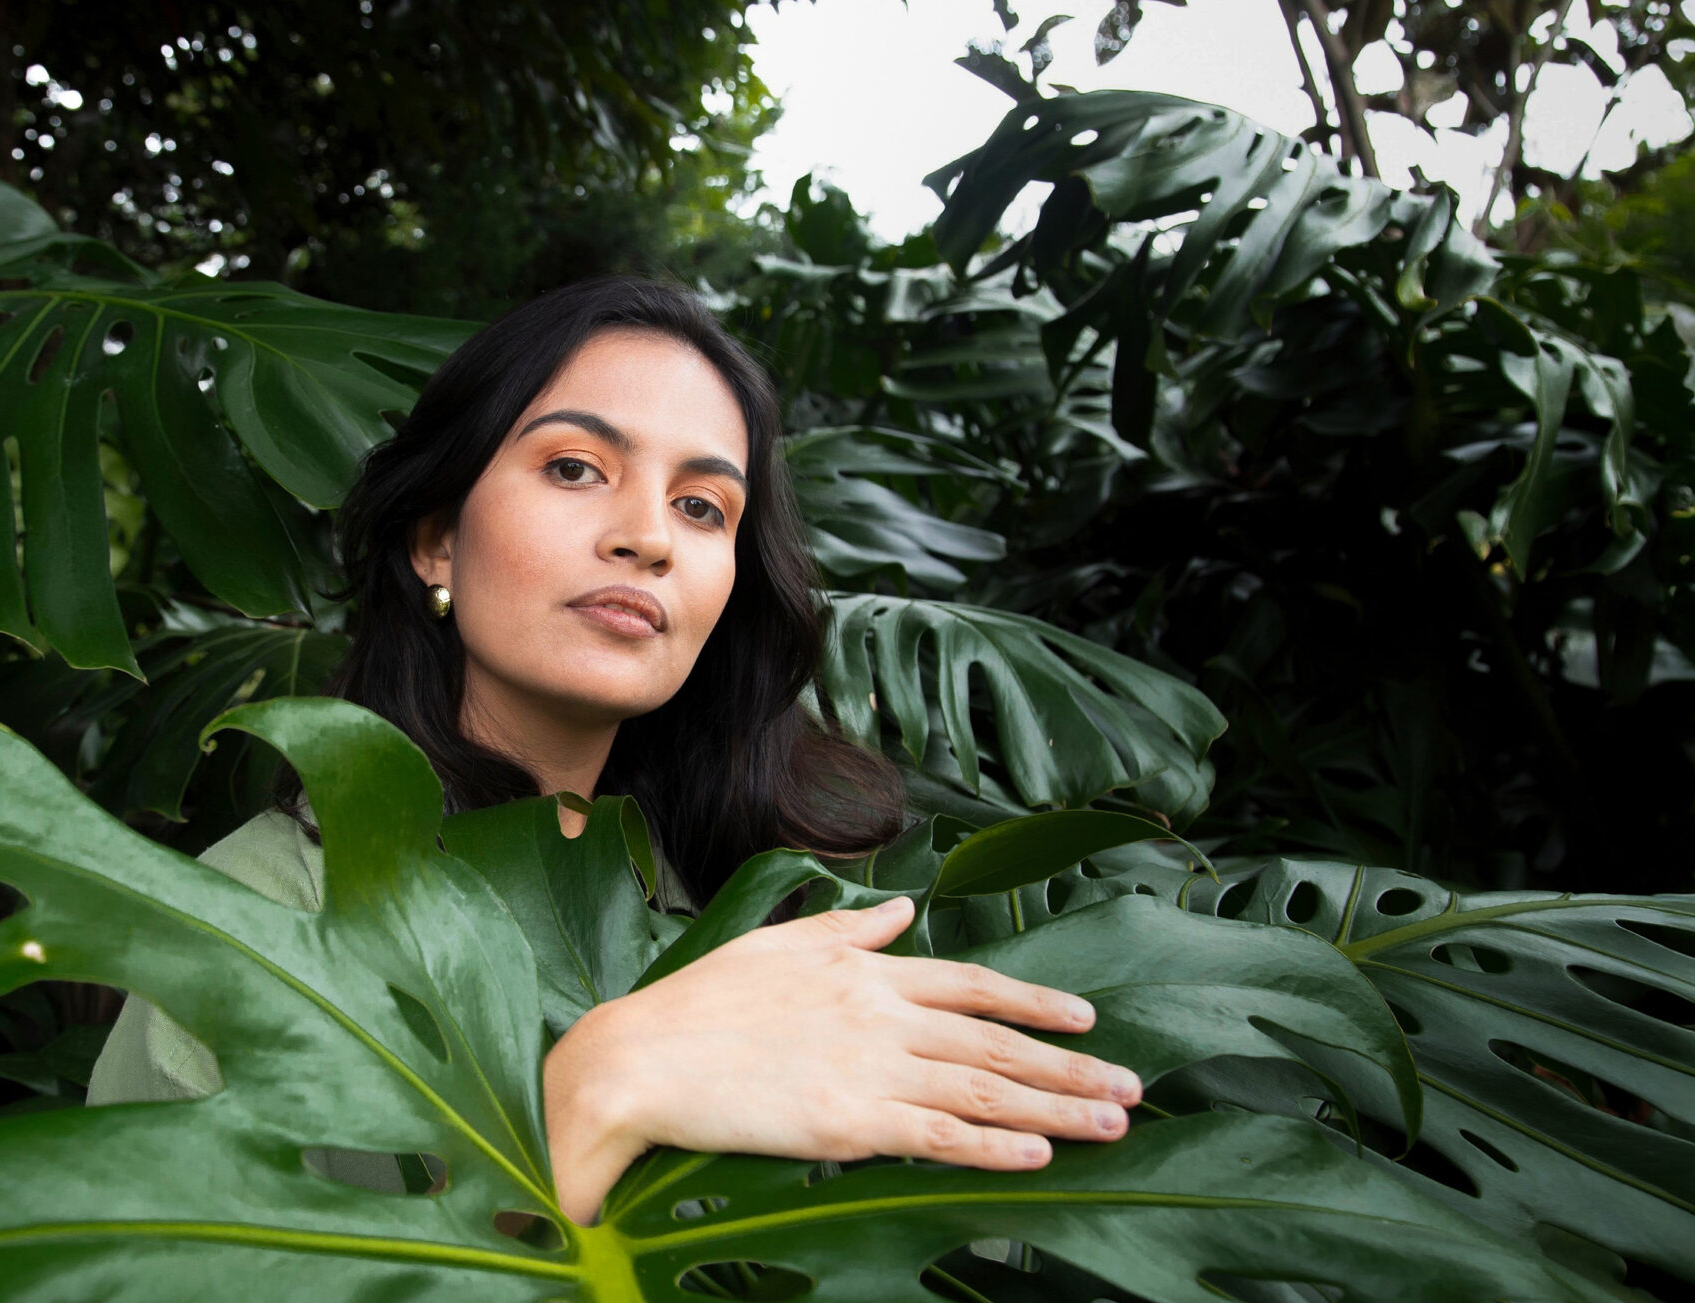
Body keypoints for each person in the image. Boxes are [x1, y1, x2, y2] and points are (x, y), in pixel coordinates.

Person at [86, 275, 1143, 1225]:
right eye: (578, 466)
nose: (651, 535)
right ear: (436, 539)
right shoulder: (260, 922)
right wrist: (589, 1093)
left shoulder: (756, 914)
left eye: (701, 505)